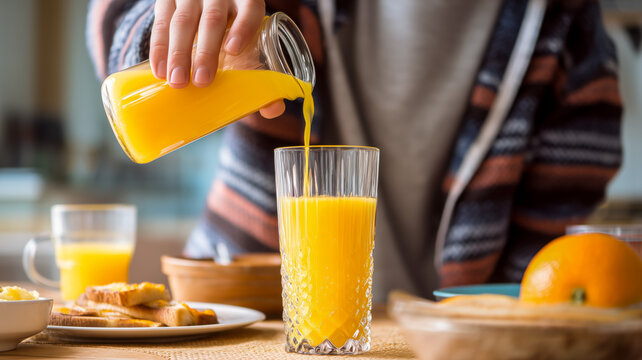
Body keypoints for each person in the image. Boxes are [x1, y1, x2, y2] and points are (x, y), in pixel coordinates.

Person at [87, 0, 622, 302]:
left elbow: (533, 294)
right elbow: (110, 17)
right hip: (240, 316)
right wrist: (170, 28)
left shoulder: (571, 39)